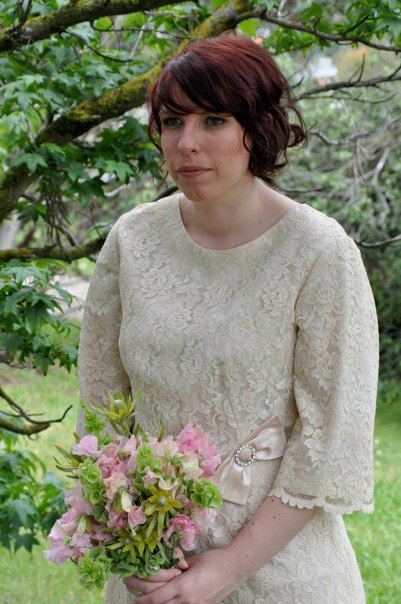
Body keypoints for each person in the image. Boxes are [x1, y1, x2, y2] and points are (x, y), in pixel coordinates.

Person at [78, 34, 379, 604]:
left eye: (213, 120)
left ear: (258, 127)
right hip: (154, 572)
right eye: (172, 122)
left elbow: (329, 439)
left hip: (282, 572)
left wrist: (227, 570)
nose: (187, 143)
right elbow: (100, 412)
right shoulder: (132, 240)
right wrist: (129, 546)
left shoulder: (319, 251)